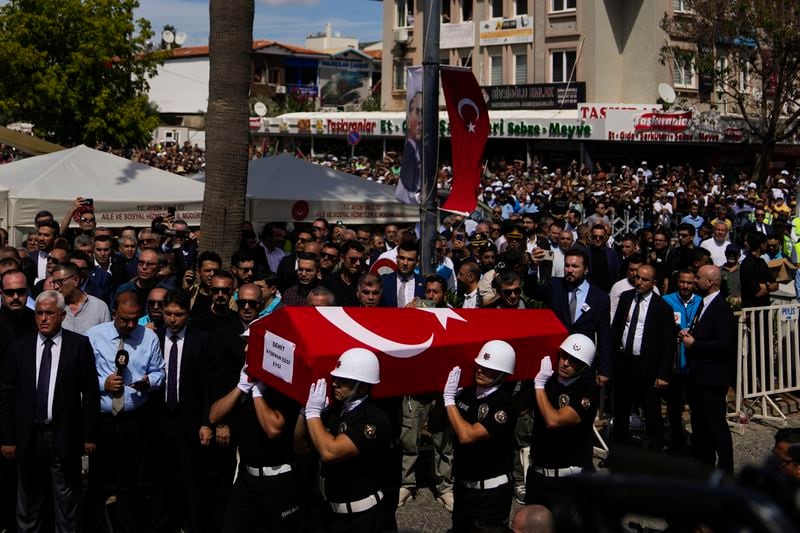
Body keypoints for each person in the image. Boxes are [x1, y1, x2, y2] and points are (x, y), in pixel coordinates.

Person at [0, 290, 99, 533]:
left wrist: (89, 436)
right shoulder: (19, 346)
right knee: (28, 501)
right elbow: (6, 394)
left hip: (63, 434)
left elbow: (90, 393)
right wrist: (8, 438)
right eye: (40, 313)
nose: (43, 318)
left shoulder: (79, 346)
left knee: (67, 500)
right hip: (28, 435)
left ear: (62, 316)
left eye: (50, 314)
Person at [85, 291, 165, 532]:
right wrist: (103, 384)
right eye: (124, 320)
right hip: (102, 419)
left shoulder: (148, 337)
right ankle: (94, 524)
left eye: (135, 319)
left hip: (135, 419)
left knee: (130, 481)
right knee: (98, 480)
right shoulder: (94, 336)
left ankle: (127, 525)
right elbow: (80, 375)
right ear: (113, 314)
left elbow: (160, 371)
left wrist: (148, 381)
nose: (131, 325)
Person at [298, 348, 392, 532]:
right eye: (336, 378)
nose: (335, 384)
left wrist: (313, 414)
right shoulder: (337, 411)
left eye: (344, 381)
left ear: (363, 387)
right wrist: (304, 413)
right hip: (332, 512)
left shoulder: (372, 421)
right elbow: (300, 445)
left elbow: (329, 452)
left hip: (362, 517)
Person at [209, 348, 302, 532]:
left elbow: (273, 429)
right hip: (246, 479)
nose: (245, 350)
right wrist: (241, 388)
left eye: (252, 347)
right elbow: (214, 416)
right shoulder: (245, 381)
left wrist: (258, 392)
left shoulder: (285, 388)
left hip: (277, 481)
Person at [151, 290, 212, 533]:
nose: (172, 319)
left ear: (188, 314)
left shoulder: (201, 339)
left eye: (178, 314)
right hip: (160, 419)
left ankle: (193, 525)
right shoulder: (153, 337)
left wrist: (207, 421)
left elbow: (208, 383)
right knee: (161, 479)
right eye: (168, 314)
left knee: (191, 479)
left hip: (190, 420)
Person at [443, 340, 517, 532]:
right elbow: (437, 425)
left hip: (491, 494)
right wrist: (443, 397)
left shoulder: (504, 404)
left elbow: (468, 435)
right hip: (464, 487)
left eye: (489, 368)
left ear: (502, 373)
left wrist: (449, 400)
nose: (481, 371)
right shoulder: (467, 393)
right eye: (480, 366)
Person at [525, 334, 598, 510]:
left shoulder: (586, 393)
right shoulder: (547, 381)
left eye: (573, 361)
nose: (565, 363)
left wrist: (539, 386)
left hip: (565, 481)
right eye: (564, 356)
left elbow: (554, 420)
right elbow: (521, 410)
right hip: (537, 475)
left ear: (583, 366)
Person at [610, 264, 675, 449]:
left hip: (647, 365)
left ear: (653, 283)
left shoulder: (662, 307)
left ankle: (655, 448)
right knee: (621, 408)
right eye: (637, 277)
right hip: (624, 361)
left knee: (651, 408)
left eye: (644, 279)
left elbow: (668, 343)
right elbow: (616, 330)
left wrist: (663, 374)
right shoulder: (626, 298)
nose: (639, 282)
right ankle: (618, 450)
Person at [679, 265, 735, 474]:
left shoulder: (720, 307)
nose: (694, 282)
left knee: (715, 425)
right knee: (700, 424)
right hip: (698, 375)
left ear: (710, 282)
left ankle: (726, 469)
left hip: (712, 376)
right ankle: (704, 465)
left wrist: (695, 345)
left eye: (699, 278)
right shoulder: (704, 304)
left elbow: (725, 343)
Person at [662, 269, 702, 453]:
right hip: (674, 361)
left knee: (696, 403)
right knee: (674, 403)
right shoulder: (667, 300)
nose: (685, 286)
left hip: (694, 363)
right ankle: (677, 437)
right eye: (682, 282)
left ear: (694, 284)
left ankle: (698, 438)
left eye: (689, 283)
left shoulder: (700, 302)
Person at [51, 262, 111, 335]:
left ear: (75, 280)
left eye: (60, 282)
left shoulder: (99, 307)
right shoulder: (53, 307)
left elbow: (106, 338)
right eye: (54, 282)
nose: (55, 287)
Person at [380, 241, 425, 308]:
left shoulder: (424, 283)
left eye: (410, 259)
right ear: (397, 258)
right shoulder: (384, 282)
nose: (405, 263)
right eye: (402, 258)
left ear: (417, 262)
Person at [324, 241, 367, 306]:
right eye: (353, 259)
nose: (358, 263)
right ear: (342, 258)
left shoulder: (365, 283)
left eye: (361, 260)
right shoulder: (328, 282)